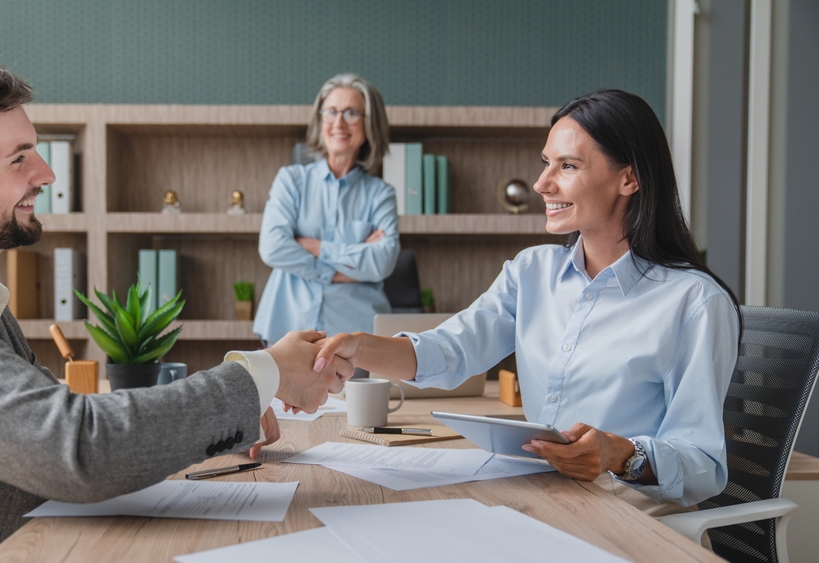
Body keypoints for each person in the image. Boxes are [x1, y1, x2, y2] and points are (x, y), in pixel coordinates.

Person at [0, 42, 352, 563]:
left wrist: (227, 417)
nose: (46, 175)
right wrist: (263, 373)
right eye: (18, 158)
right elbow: (77, 446)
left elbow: (53, 427)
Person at [315, 90, 741, 516]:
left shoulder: (695, 302)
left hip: (627, 516)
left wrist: (621, 454)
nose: (542, 183)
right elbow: (451, 350)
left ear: (628, 179)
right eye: (546, 163)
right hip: (543, 499)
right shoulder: (531, 271)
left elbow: (703, 465)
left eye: (568, 166)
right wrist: (358, 348)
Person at [254, 74, 401, 349]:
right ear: (320, 119)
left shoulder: (381, 194)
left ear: (370, 123)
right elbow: (273, 247)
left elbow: (382, 262)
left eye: (352, 113)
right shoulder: (291, 181)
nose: (339, 123)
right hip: (286, 328)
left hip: (357, 337)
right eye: (331, 112)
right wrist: (349, 262)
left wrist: (313, 246)